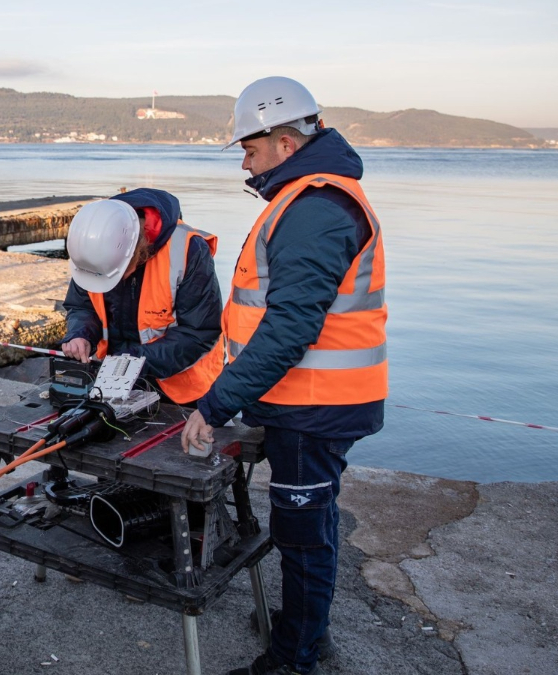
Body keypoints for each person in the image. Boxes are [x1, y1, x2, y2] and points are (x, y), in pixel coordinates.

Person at [180, 77, 387, 675]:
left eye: (250, 149)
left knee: (300, 532)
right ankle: (306, 623)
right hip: (311, 401)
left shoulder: (316, 206)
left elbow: (290, 328)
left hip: (314, 404)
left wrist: (214, 404)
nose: (245, 161)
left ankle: (293, 657)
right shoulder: (310, 199)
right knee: (313, 520)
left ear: (285, 144)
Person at [60, 189, 223, 405]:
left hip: (182, 389)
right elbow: (81, 306)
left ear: (136, 250)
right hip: (114, 379)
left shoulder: (188, 251)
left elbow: (198, 332)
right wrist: (80, 334)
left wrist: (135, 360)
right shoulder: (94, 248)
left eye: (117, 274)